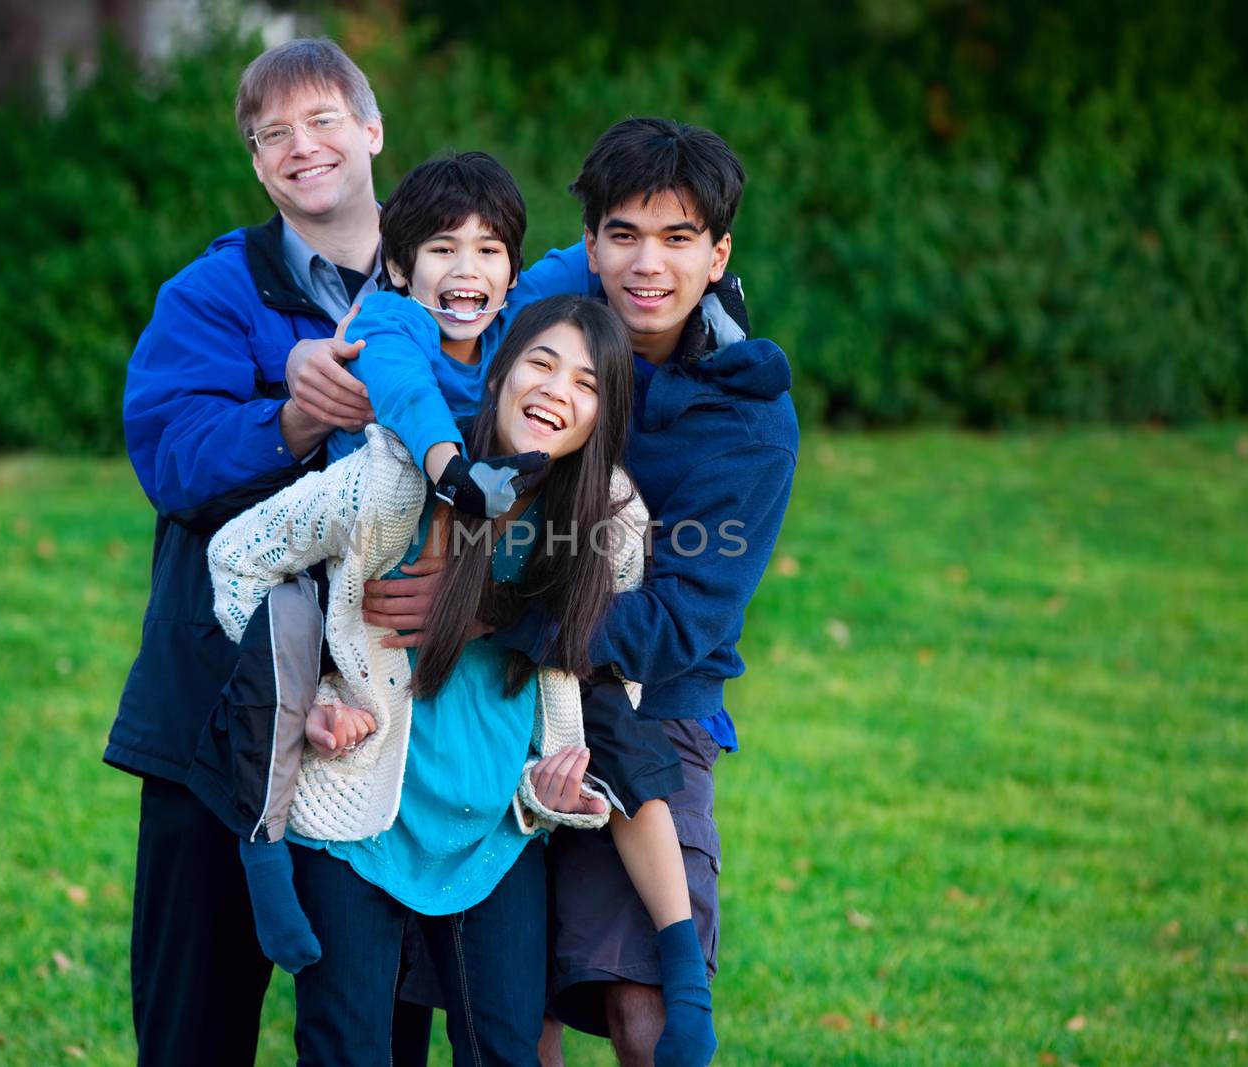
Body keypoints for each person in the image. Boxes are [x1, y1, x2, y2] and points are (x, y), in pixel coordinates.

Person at [362, 118, 800, 1067]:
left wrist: (496, 612)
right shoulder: (547, 304)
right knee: (515, 1021)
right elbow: (412, 315)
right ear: (590, 240)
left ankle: (680, 974)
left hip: (648, 693)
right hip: (490, 680)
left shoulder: (748, 424)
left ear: (719, 254)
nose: (648, 265)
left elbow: (681, 622)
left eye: (680, 239)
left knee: (645, 1019)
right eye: (624, 235)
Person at [208, 294, 645, 1064]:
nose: (556, 390)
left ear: (601, 416)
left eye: (586, 383)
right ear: (501, 369)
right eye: (541, 363)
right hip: (356, 817)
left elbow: (619, 656)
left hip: (500, 826)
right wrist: (299, 700)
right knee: (347, 1050)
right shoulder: (391, 475)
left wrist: (563, 772)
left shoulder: (608, 519)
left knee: (507, 1050)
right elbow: (237, 557)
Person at [106, 37, 400, 1065]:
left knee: (377, 1030)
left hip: (387, 718)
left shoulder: (446, 277)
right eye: (271, 134)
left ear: (370, 130)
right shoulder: (212, 292)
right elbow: (174, 458)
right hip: (219, 706)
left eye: (322, 120)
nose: (299, 146)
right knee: (194, 1026)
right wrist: (292, 417)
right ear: (257, 166)